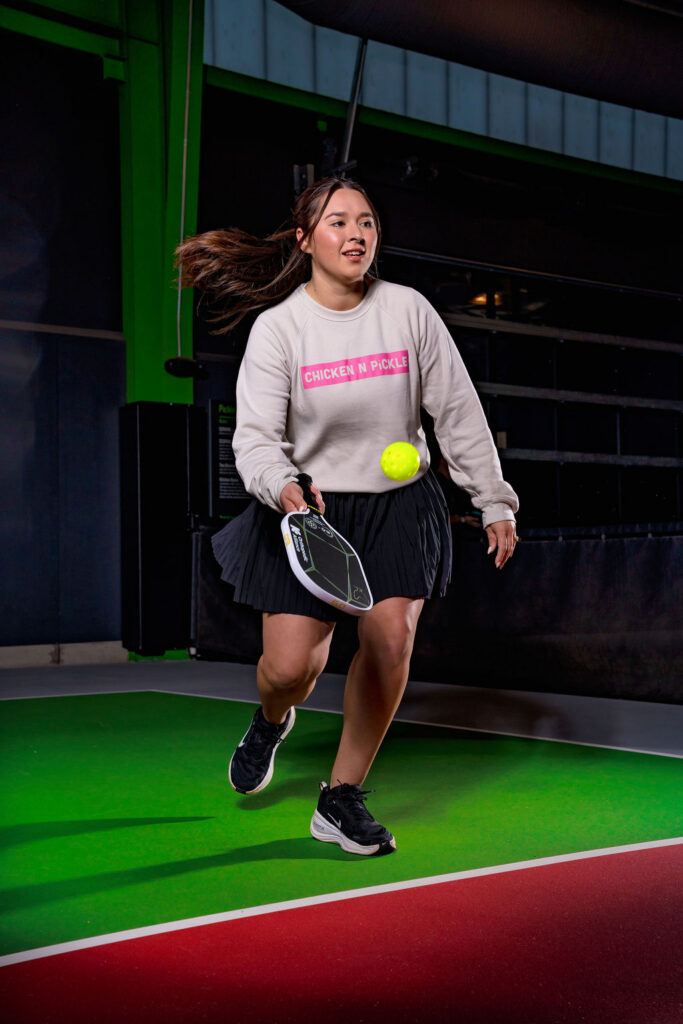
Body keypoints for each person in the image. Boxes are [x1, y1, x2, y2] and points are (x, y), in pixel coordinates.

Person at [176, 176, 519, 857]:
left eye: (365, 221)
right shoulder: (278, 329)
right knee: (286, 668)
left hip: (398, 505)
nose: (356, 234)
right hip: (310, 509)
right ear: (305, 240)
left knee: (389, 639)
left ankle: (339, 798)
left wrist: (493, 498)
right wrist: (283, 488)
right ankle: (272, 720)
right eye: (337, 222)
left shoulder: (408, 312)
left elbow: (456, 410)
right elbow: (253, 438)